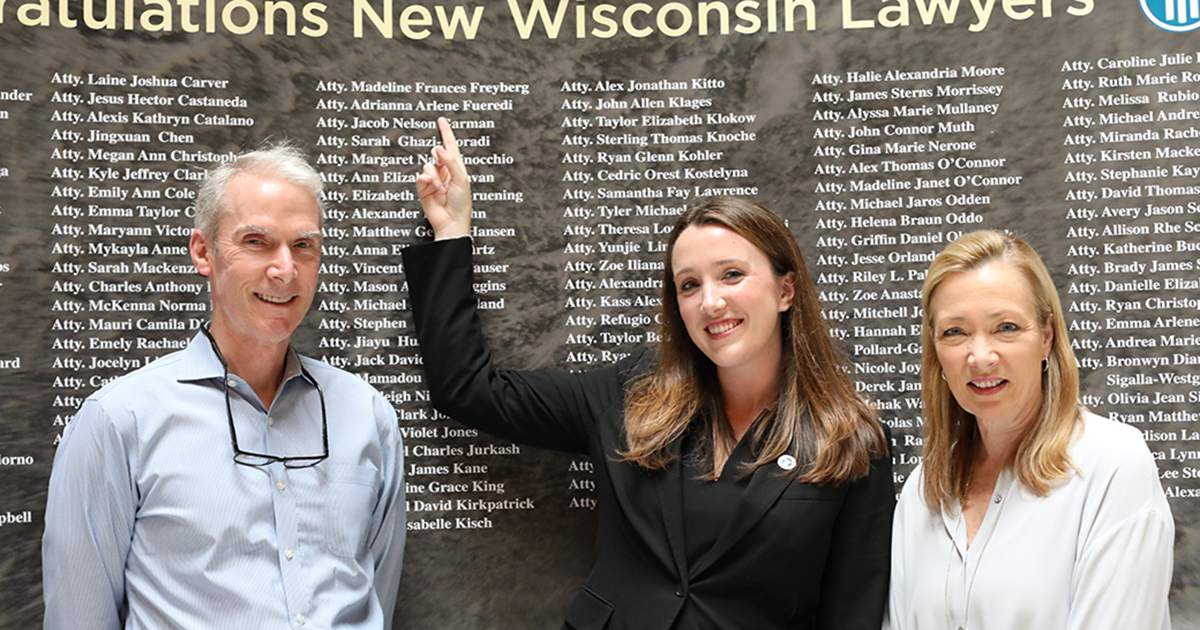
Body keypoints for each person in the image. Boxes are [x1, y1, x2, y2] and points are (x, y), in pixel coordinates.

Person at [402, 118, 893, 629]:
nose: (711, 301)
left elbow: (852, 613)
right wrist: (451, 229)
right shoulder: (629, 395)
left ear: (785, 290)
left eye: (732, 274)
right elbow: (469, 388)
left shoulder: (853, 443)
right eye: (688, 285)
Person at [42, 143, 406, 630]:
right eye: (256, 242)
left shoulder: (368, 416)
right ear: (203, 252)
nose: (285, 269)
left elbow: (377, 592)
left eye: (304, 246)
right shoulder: (119, 421)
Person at [889, 230, 1174, 630]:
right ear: (935, 349)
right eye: (955, 332)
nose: (981, 356)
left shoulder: (1113, 464)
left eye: (1006, 327)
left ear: (1046, 337)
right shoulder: (924, 491)